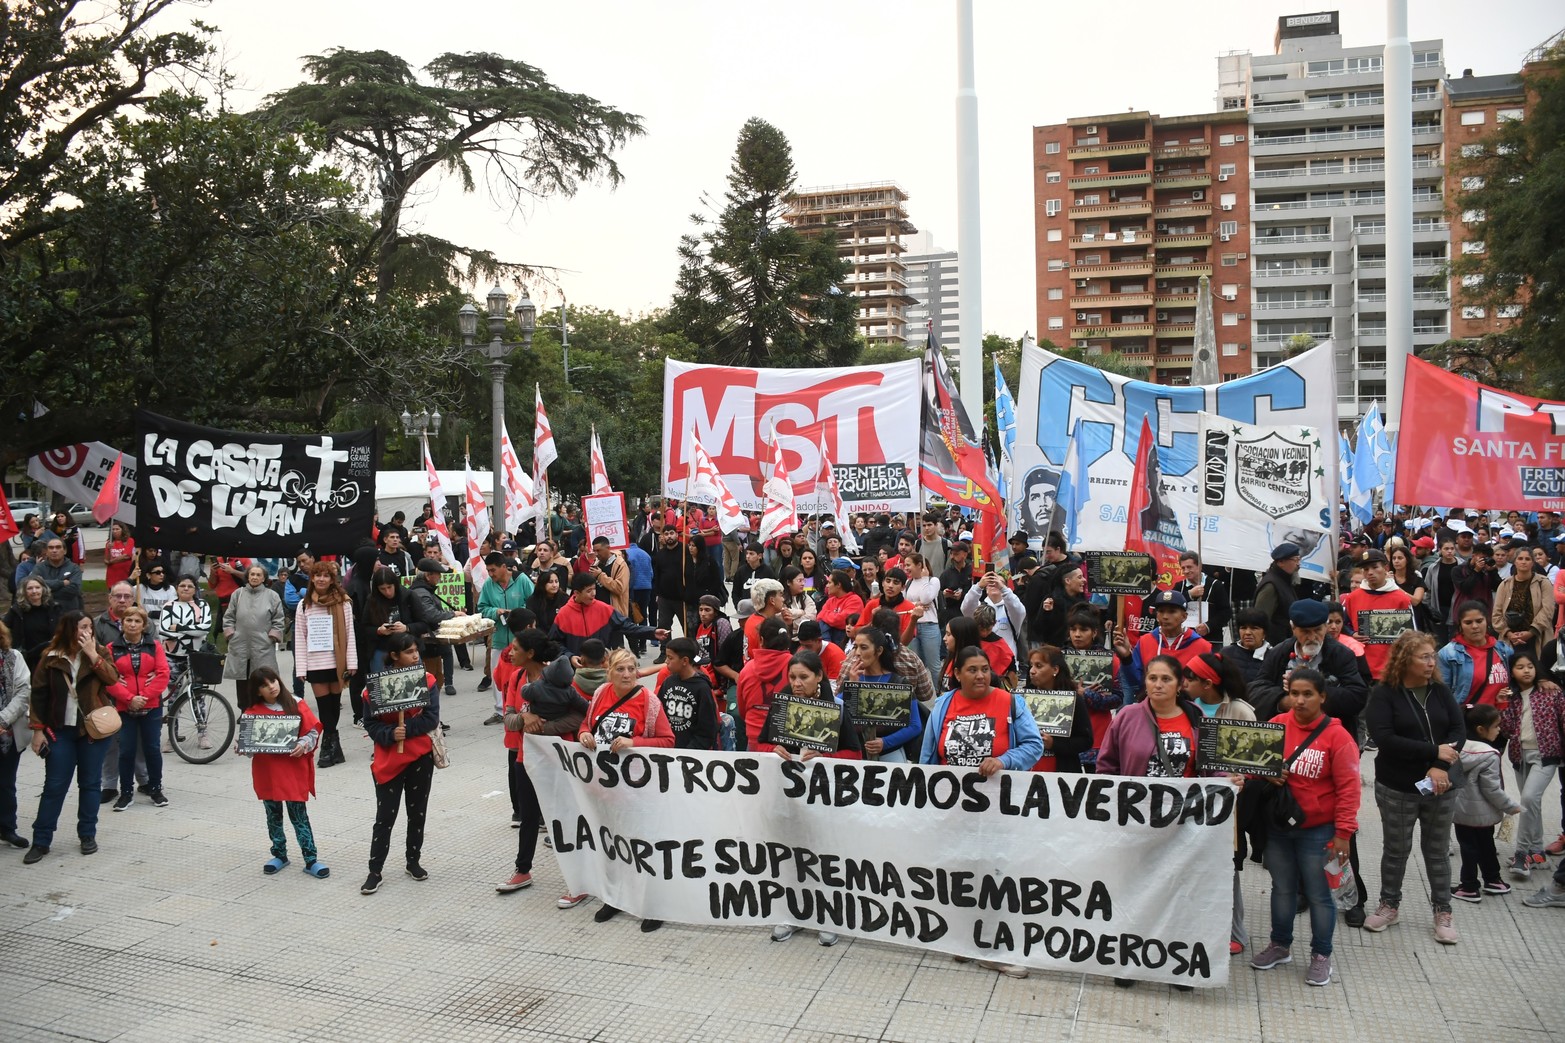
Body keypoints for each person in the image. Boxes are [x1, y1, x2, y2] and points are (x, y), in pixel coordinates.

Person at [921, 644, 1043, 979]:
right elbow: (929, 758)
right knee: (960, 872)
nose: (980, 675)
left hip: (999, 809)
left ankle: (995, 949)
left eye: (985, 669)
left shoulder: (1011, 703)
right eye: (971, 670)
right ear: (956, 674)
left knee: (996, 875)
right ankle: (965, 940)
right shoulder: (943, 705)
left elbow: (1034, 746)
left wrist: (1004, 761)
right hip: (954, 808)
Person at [1250, 668, 1361, 988]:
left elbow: (1349, 789)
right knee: (1282, 888)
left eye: (1307, 694)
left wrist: (1343, 834)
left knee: (1320, 894)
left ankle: (1321, 956)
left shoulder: (1338, 737)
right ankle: (1279, 945)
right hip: (1278, 828)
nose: (1299, 700)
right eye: (1294, 694)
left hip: (1320, 831)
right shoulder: (1276, 726)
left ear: (1322, 697)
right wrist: (1267, 773)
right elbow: (1252, 766)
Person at [1362, 631, 1464, 943]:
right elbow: (1385, 738)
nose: (1431, 661)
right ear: (1405, 660)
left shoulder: (1439, 690)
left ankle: (1442, 910)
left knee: (1437, 851)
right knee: (1396, 849)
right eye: (1424, 656)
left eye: (1432, 656)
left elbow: (1458, 728)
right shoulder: (1384, 693)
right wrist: (1432, 752)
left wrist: (1440, 766)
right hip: (1397, 785)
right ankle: (1389, 904)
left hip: (1441, 785)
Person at [761, 649, 862, 948]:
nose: (796, 682)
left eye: (803, 677)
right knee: (791, 854)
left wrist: (826, 756)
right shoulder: (781, 708)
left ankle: (829, 916)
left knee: (825, 856)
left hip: (826, 800)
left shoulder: (838, 710)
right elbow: (761, 745)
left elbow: (855, 755)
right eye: (792, 677)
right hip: (788, 798)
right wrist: (772, 751)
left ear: (819, 677)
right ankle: (792, 912)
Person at [579, 647, 675, 931]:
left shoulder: (648, 700)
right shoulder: (600, 694)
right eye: (620, 669)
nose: (627, 674)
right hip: (606, 788)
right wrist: (584, 732)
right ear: (610, 671)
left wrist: (635, 743)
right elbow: (588, 724)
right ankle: (615, 898)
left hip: (639, 790)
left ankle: (652, 904)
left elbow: (668, 741)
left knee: (644, 847)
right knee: (613, 846)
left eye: (632, 669)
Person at [22, 612, 119, 864]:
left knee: (89, 784)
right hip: (60, 732)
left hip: (91, 731)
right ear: (69, 630)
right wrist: (37, 730)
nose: (88, 631)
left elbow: (113, 678)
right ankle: (41, 840)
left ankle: (87, 834)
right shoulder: (51, 656)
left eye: (90, 627)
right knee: (54, 786)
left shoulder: (99, 653)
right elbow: (39, 695)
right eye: (82, 627)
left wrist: (93, 655)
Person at [497, 630, 584, 893]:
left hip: (561, 758)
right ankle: (523, 870)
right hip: (526, 758)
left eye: (515, 649)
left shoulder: (561, 675)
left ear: (530, 654)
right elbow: (509, 720)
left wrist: (546, 727)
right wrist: (525, 720)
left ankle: (580, 879)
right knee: (529, 818)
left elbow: (580, 718)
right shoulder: (516, 678)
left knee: (567, 817)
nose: (509, 653)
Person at [361, 633, 441, 896]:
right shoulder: (372, 689)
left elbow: (431, 718)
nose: (415, 656)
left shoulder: (428, 682)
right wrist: (389, 735)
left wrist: (406, 729)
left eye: (416, 650)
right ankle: (375, 870)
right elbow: (370, 724)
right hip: (387, 760)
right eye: (409, 652)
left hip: (419, 757)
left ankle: (413, 861)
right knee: (385, 817)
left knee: (417, 813)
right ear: (395, 656)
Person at [239, 666, 329, 878]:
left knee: (299, 816)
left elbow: (313, 731)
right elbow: (249, 747)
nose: (271, 687)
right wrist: (243, 747)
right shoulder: (252, 712)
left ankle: (311, 859)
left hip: (292, 772)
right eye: (264, 685)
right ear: (257, 690)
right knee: (273, 815)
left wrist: (304, 744)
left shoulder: (296, 703)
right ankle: (279, 854)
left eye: (273, 681)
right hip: (267, 773)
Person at [1498, 650, 1564, 882]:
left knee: (1527, 799)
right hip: (1519, 757)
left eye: (1530, 666)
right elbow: (1505, 730)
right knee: (1531, 803)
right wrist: (1503, 704)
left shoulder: (1551, 693)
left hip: (1546, 756)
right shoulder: (1512, 698)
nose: (1526, 670)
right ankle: (1537, 852)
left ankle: (1521, 852)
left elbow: (1563, 720)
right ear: (1512, 673)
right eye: (1520, 667)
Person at [1451, 703, 1522, 902]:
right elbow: (1492, 789)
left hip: (1463, 812)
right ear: (1481, 730)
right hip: (1485, 815)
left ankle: (1469, 886)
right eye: (1496, 726)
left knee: (1469, 848)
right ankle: (1493, 880)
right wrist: (1510, 806)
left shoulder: (1457, 749)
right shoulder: (1489, 754)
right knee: (1486, 846)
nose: (1499, 730)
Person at [293, 562, 358, 769]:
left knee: (334, 703)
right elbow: (300, 638)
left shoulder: (344, 603)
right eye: (317, 575)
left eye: (325, 576)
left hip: (337, 663)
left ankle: (330, 746)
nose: (321, 579)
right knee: (324, 706)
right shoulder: (304, 605)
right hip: (315, 663)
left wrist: (352, 662)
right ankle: (331, 745)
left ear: (332, 579)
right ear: (311, 578)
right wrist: (301, 669)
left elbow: (350, 635)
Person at [105, 606, 169, 812]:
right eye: (128, 620)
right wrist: (129, 698)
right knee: (126, 750)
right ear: (121, 624)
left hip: (150, 707)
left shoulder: (154, 646)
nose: (132, 624)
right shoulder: (111, 648)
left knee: (152, 748)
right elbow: (108, 679)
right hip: (125, 707)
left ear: (144, 625)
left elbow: (162, 674)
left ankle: (155, 788)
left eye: (137, 621)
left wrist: (145, 697)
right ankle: (125, 792)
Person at [842, 628, 924, 762]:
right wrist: (852, 687)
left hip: (890, 753)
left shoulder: (899, 683)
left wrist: (885, 742)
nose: (857, 653)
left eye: (863, 648)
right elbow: (839, 716)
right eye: (855, 647)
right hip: (856, 755)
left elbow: (914, 725)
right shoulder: (851, 679)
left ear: (879, 651)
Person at [1114, 590, 1212, 702]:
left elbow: (1206, 690)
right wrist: (1126, 657)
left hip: (1187, 711)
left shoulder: (1202, 647)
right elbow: (1136, 683)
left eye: (1172, 611)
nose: (1165, 616)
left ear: (1184, 616)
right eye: (1161, 611)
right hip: (1151, 708)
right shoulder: (1145, 641)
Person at [1339, 550, 1414, 679]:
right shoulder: (1352, 598)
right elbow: (1342, 625)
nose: (1370, 573)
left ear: (1386, 568)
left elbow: (1411, 635)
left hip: (1391, 669)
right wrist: (1352, 634)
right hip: (1359, 668)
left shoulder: (1402, 598)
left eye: (1374, 567)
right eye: (1366, 569)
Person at [477, 551, 534, 717]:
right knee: (498, 676)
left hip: (522, 639)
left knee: (522, 674)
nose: (491, 574)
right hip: (499, 638)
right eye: (488, 570)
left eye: (493, 570)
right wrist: (496, 611)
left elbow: (533, 603)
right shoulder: (488, 584)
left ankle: (521, 706)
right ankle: (500, 711)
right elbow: (482, 608)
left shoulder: (521, 579)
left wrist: (518, 613)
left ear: (504, 567)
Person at [223, 565, 285, 712]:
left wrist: (271, 637)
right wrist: (231, 635)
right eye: (252, 574)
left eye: (258, 575)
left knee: (263, 680)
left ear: (264, 578)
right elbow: (229, 617)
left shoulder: (272, 596)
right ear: (248, 576)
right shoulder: (237, 594)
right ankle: (245, 711)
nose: (255, 577)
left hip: (262, 645)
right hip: (240, 645)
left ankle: (263, 710)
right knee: (242, 681)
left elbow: (279, 619)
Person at [1021, 645, 1092, 773]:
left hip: (1062, 769)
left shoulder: (1073, 700)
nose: (1032, 671)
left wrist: (1054, 744)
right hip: (1026, 768)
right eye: (1031, 665)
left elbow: (1086, 740)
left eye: (1039, 666)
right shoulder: (1020, 698)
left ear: (1055, 669)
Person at [0, 620, 33, 848]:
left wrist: (3, 719)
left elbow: (24, 690)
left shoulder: (13, 657)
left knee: (6, 783)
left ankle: (7, 828)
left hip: (8, 732)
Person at [657, 637, 719, 751]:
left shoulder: (702, 688)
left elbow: (708, 729)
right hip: (668, 750)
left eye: (670, 658)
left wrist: (690, 750)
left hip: (691, 754)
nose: (666, 661)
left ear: (685, 661)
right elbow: (658, 714)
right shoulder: (668, 682)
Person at [1493, 542, 1553, 660]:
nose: (1523, 561)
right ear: (1515, 561)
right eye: (1520, 558)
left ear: (1532, 562)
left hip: (1537, 636)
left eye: (1527, 559)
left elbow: (1548, 610)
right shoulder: (1504, 585)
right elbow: (1497, 614)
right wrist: (1509, 633)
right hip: (1511, 639)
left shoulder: (1544, 582)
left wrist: (1531, 632)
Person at [960, 570, 1026, 659]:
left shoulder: (1010, 610)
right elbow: (966, 608)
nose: (995, 584)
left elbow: (1019, 610)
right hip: (981, 661)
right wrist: (978, 586)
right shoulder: (980, 608)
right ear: (986, 588)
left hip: (1006, 662)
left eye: (999, 582)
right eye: (991, 582)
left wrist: (1003, 589)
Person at [5, 576, 61, 670]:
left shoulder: (54, 608)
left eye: (37, 587)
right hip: (26, 658)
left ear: (43, 589)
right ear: (24, 591)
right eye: (30, 588)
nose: (34, 591)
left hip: (50, 657)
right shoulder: (16, 610)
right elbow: (3, 628)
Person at [1254, 543, 1302, 646]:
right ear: (1281, 562)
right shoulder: (1271, 586)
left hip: (1285, 643)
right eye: (1295, 560)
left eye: (1299, 559)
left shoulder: (1285, 581)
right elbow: (1260, 619)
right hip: (1275, 646)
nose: (1298, 564)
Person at [1221, 607, 1272, 686]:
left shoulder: (1273, 657)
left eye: (1254, 628)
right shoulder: (1226, 653)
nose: (1247, 632)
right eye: (1243, 628)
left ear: (1264, 632)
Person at [30, 538, 83, 614]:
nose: (54, 550)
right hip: (45, 612)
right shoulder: (39, 567)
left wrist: (44, 589)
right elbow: (33, 586)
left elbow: (74, 589)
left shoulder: (74, 568)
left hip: (69, 613)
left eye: (58, 547)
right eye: (51, 548)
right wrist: (61, 583)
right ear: (47, 552)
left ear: (65, 551)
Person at [816, 569, 864, 648]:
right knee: (822, 624)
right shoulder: (831, 600)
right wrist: (833, 617)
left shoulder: (855, 600)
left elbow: (842, 621)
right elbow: (819, 617)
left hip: (847, 640)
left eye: (829, 583)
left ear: (838, 585)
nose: (827, 586)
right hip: (831, 637)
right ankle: (827, 646)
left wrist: (827, 616)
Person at [103, 522, 135, 588]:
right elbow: (106, 560)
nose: (115, 531)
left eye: (117, 529)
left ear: (123, 530)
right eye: (113, 529)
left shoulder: (129, 540)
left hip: (125, 573)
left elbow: (126, 556)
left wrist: (111, 562)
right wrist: (109, 550)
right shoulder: (109, 543)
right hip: (112, 575)